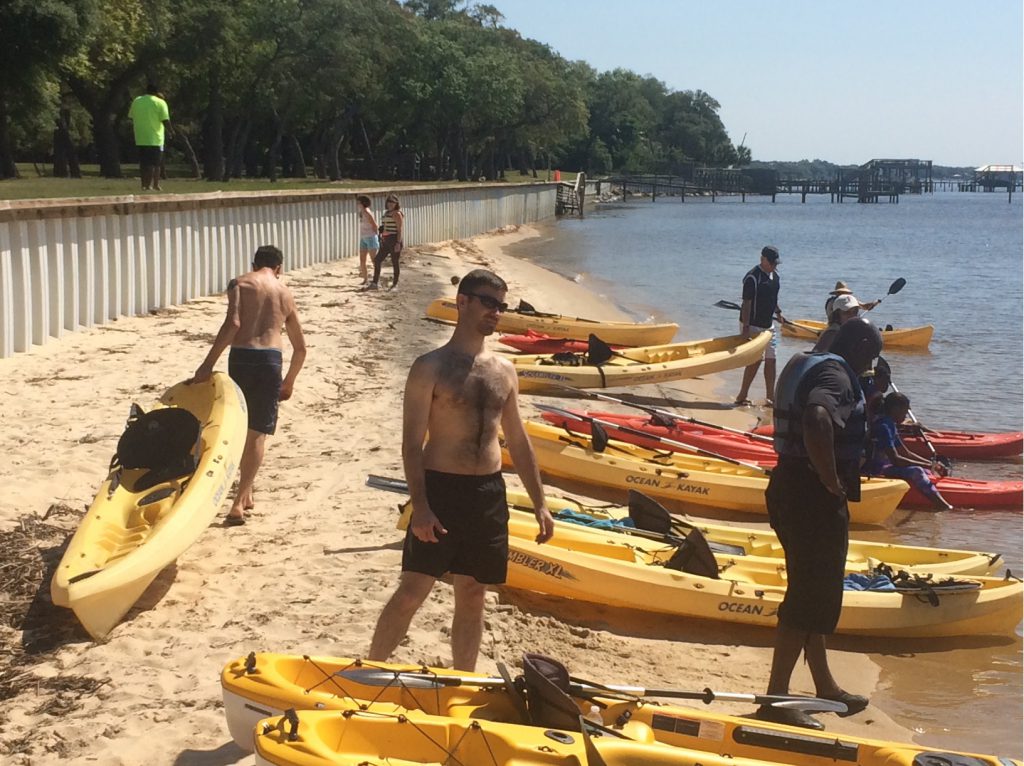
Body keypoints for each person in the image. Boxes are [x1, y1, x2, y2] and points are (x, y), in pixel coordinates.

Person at [368, 269, 554, 671]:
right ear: (464, 302)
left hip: (487, 495)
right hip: (440, 491)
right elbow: (411, 444)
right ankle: (371, 668)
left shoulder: (504, 370)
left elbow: (518, 441)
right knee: (412, 591)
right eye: (489, 303)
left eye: (501, 306)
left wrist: (540, 503)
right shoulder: (429, 367)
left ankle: (462, 680)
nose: (496, 313)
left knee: (473, 594)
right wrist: (421, 506)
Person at [758, 316, 883, 730]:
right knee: (808, 596)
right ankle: (777, 697)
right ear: (862, 346)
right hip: (812, 496)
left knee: (811, 591)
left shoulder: (806, 362)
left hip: (787, 486)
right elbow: (816, 418)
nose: (871, 364)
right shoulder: (836, 376)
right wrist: (830, 480)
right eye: (873, 355)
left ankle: (824, 684)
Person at [191, 245, 307, 525]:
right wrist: (289, 381)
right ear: (279, 268)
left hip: (242, 357)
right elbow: (301, 348)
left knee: (239, 424)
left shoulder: (240, 283)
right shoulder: (285, 293)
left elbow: (233, 323)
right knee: (258, 432)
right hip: (271, 360)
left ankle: (242, 496)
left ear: (254, 263)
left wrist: (208, 364)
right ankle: (241, 499)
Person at [863, 392, 953, 510]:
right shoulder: (883, 426)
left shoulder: (890, 424)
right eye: (905, 412)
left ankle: (931, 491)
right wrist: (929, 465)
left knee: (925, 470)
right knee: (917, 471)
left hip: (886, 465)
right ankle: (943, 506)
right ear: (895, 409)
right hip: (875, 469)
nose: (906, 416)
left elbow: (906, 453)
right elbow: (896, 460)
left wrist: (932, 464)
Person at [735, 245, 785, 407]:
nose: (774, 266)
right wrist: (746, 328)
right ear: (762, 259)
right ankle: (742, 395)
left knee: (772, 359)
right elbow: (747, 303)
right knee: (755, 360)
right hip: (752, 324)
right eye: (772, 263)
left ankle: (771, 398)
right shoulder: (752, 278)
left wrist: (778, 313)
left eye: (775, 263)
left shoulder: (775, 277)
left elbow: (773, 297)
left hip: (769, 326)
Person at [127, 82, 172, 191]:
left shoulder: (137, 101)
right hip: (156, 138)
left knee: (144, 163)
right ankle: (153, 185)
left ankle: (144, 185)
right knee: (155, 163)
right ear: (157, 92)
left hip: (141, 136)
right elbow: (165, 120)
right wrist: (171, 131)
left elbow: (131, 116)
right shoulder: (160, 102)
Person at [363, 192, 404, 292]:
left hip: (394, 239)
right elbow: (385, 226)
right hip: (385, 240)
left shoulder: (397, 214)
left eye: (393, 203)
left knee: (395, 262)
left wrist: (398, 243)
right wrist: (382, 230)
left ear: (396, 204)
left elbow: (400, 229)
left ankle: (395, 284)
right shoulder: (386, 213)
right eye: (389, 202)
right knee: (377, 260)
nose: (390, 204)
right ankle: (375, 283)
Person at [355, 195, 379, 285]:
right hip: (363, 237)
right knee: (362, 260)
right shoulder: (361, 212)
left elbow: (375, 225)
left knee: (374, 260)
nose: (357, 204)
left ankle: (377, 279)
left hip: (371, 237)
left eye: (359, 203)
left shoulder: (367, 212)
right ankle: (365, 279)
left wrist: (377, 236)